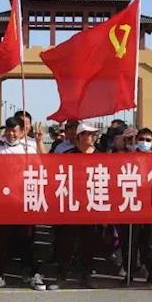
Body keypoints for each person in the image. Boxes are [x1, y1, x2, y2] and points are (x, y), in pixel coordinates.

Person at [0, 117, 45, 291]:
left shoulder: (29, 148)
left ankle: (33, 273)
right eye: (8, 130)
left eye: (15, 130)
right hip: (2, 202)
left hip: (23, 201)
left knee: (27, 239)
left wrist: (39, 143)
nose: (11, 133)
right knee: (1, 240)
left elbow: (43, 165)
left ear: (21, 131)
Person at [52, 122, 101, 290]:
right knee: (66, 242)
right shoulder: (69, 155)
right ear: (79, 137)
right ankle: (62, 275)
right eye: (88, 134)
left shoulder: (102, 156)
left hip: (92, 206)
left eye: (93, 134)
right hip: (71, 206)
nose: (92, 137)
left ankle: (86, 276)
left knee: (89, 244)